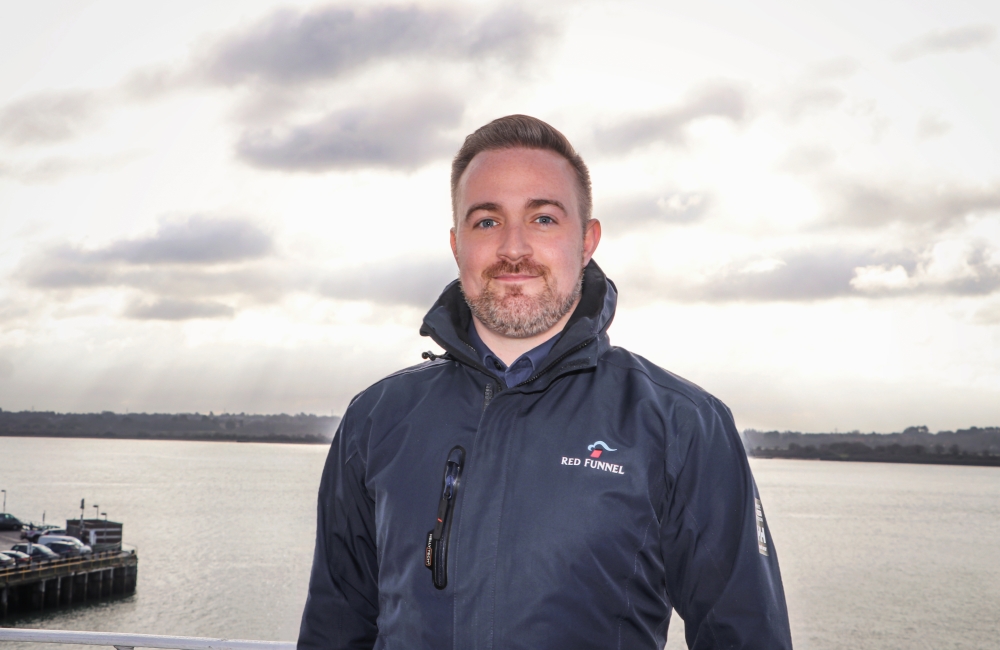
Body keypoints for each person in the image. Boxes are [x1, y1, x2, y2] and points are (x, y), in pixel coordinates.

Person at [298, 115, 792, 650]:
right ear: (456, 243)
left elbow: (746, 636)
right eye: (486, 222)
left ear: (587, 241)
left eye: (543, 219)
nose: (513, 248)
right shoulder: (376, 419)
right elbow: (334, 629)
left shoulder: (681, 424)